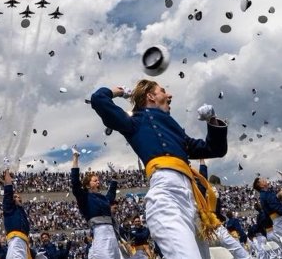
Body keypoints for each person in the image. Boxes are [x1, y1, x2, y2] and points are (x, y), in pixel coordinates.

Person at [91, 79, 228, 259]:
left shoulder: (175, 128)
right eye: (163, 91)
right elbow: (98, 100)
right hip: (167, 196)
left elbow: (215, 149)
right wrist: (119, 92)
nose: (169, 95)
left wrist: (212, 120)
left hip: (190, 201)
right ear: (150, 97)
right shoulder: (135, 121)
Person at [70, 147, 120, 259]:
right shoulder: (84, 196)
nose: (98, 182)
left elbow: (111, 195)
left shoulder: (103, 198)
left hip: (111, 233)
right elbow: (75, 182)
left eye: (98, 180)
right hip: (99, 232)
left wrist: (115, 179)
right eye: (95, 180)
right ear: (88, 185)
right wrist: (75, 158)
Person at [198, 159, 249, 259]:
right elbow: (202, 180)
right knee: (241, 255)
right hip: (215, 227)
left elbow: (202, 179)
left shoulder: (198, 192)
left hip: (203, 232)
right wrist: (202, 161)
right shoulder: (212, 191)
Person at [253, 177, 282, 259]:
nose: (264, 179)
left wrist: (277, 196)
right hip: (279, 220)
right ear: (260, 185)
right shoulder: (266, 194)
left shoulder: (264, 195)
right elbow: (277, 208)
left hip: (276, 222)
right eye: (262, 180)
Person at [3, 169, 32, 259]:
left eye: (19, 197)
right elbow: (8, 190)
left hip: (23, 243)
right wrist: (7, 172)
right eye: (14, 196)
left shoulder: (22, 211)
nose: (17, 198)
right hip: (16, 239)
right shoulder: (9, 209)